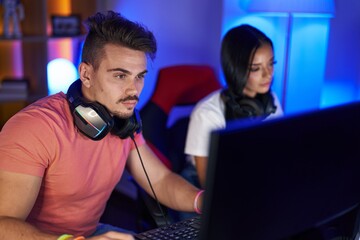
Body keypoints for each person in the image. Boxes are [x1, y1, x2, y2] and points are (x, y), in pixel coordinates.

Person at [0, 11, 204, 240]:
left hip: (92, 235)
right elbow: (4, 225)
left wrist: (202, 201)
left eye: (139, 76)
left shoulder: (122, 123)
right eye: (120, 76)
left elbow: (160, 180)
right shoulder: (34, 128)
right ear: (86, 74)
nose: (133, 90)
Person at [184, 24, 284, 188]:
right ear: (236, 70)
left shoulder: (270, 100)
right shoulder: (206, 114)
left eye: (271, 64)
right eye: (256, 68)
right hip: (207, 187)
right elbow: (209, 188)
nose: (269, 74)